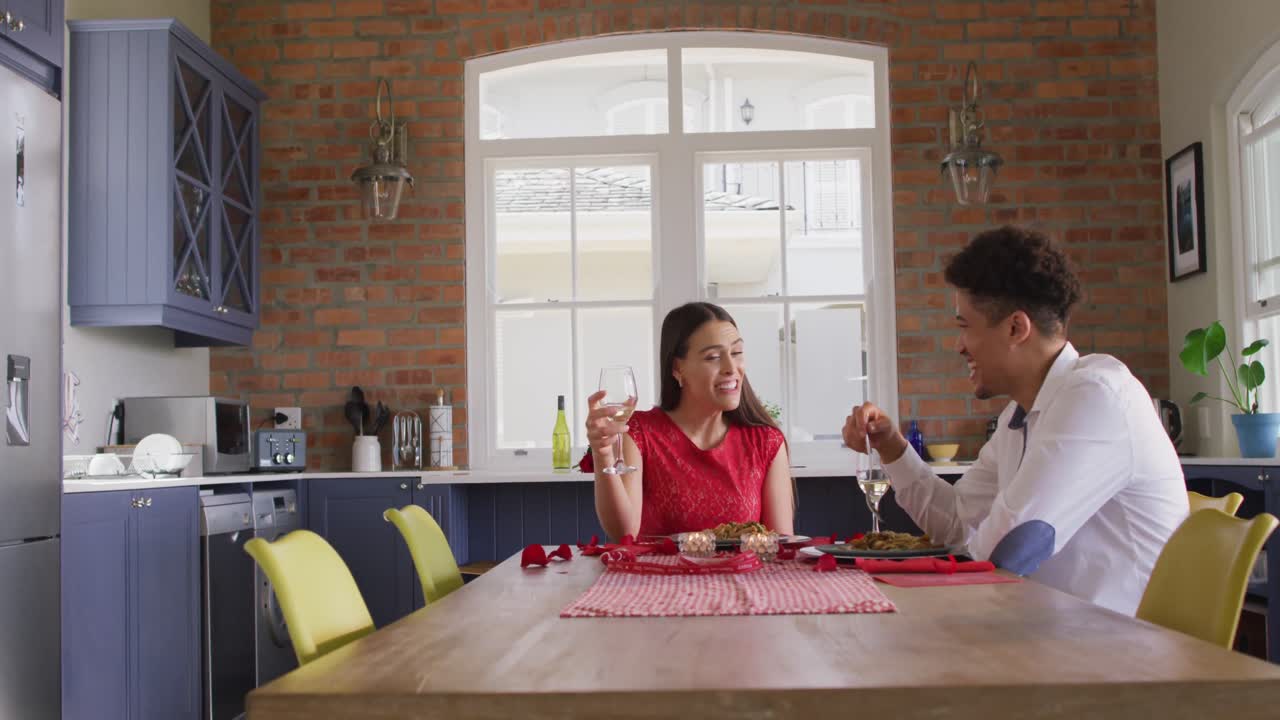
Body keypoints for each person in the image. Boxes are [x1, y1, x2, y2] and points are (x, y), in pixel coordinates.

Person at [844, 226, 1188, 615]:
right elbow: (959, 524)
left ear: (1015, 328)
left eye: (964, 326)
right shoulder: (1020, 416)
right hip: (1057, 634)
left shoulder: (1095, 395)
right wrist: (891, 447)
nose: (959, 346)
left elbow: (1013, 548)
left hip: (1122, 644)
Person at [585, 302, 794, 539]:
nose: (731, 368)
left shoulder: (766, 442)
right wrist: (603, 455)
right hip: (654, 566)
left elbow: (781, 546)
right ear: (677, 368)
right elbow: (623, 533)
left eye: (736, 353)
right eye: (713, 357)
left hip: (746, 567)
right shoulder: (639, 433)